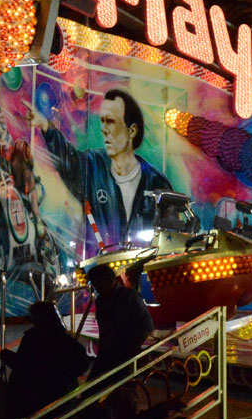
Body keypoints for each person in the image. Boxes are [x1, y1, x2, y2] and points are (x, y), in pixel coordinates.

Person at [32, 88, 173, 248]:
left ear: (132, 130)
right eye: (103, 121)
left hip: (146, 263)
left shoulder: (157, 183)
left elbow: (172, 239)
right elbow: (68, 160)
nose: (104, 129)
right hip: (102, 262)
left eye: (111, 121)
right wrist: (47, 128)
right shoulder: (93, 166)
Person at [0, 302, 89, 418]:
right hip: (60, 396)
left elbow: (25, 365)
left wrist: (8, 357)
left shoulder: (33, 338)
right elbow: (82, 365)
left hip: (34, 397)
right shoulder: (65, 340)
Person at [86, 264, 154, 379]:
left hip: (125, 355)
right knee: (93, 386)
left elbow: (147, 325)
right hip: (106, 353)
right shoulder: (101, 300)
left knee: (119, 386)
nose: (96, 288)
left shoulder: (130, 297)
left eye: (97, 283)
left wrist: (131, 348)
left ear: (107, 280)